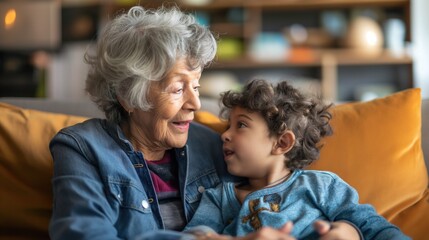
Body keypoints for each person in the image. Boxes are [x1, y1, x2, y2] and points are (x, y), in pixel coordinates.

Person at [49, 5, 361, 240]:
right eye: (177, 88)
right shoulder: (82, 148)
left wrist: (348, 228)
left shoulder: (212, 145)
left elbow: (282, 188)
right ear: (129, 97)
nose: (196, 104)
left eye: (196, 86)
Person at [184, 79, 410, 240]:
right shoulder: (219, 197)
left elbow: (374, 227)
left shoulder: (321, 186)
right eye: (228, 126)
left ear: (281, 143)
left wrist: (350, 232)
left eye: (241, 125)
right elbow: (193, 235)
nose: (225, 135)